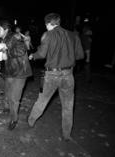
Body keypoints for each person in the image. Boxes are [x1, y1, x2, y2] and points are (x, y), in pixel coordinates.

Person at [27, 13, 84, 141]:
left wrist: (32, 56)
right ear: (58, 22)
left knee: (42, 100)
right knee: (68, 106)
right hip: (68, 75)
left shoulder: (48, 35)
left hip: (51, 75)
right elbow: (80, 55)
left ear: (48, 24)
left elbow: (41, 54)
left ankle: (30, 121)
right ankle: (66, 134)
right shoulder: (73, 35)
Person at [0, 20, 32, 130]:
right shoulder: (4, 38)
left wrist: (6, 47)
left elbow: (21, 51)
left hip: (20, 71)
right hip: (11, 70)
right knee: (7, 90)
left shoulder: (14, 36)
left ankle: (14, 119)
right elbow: (5, 55)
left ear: (5, 30)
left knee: (14, 98)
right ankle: (7, 108)